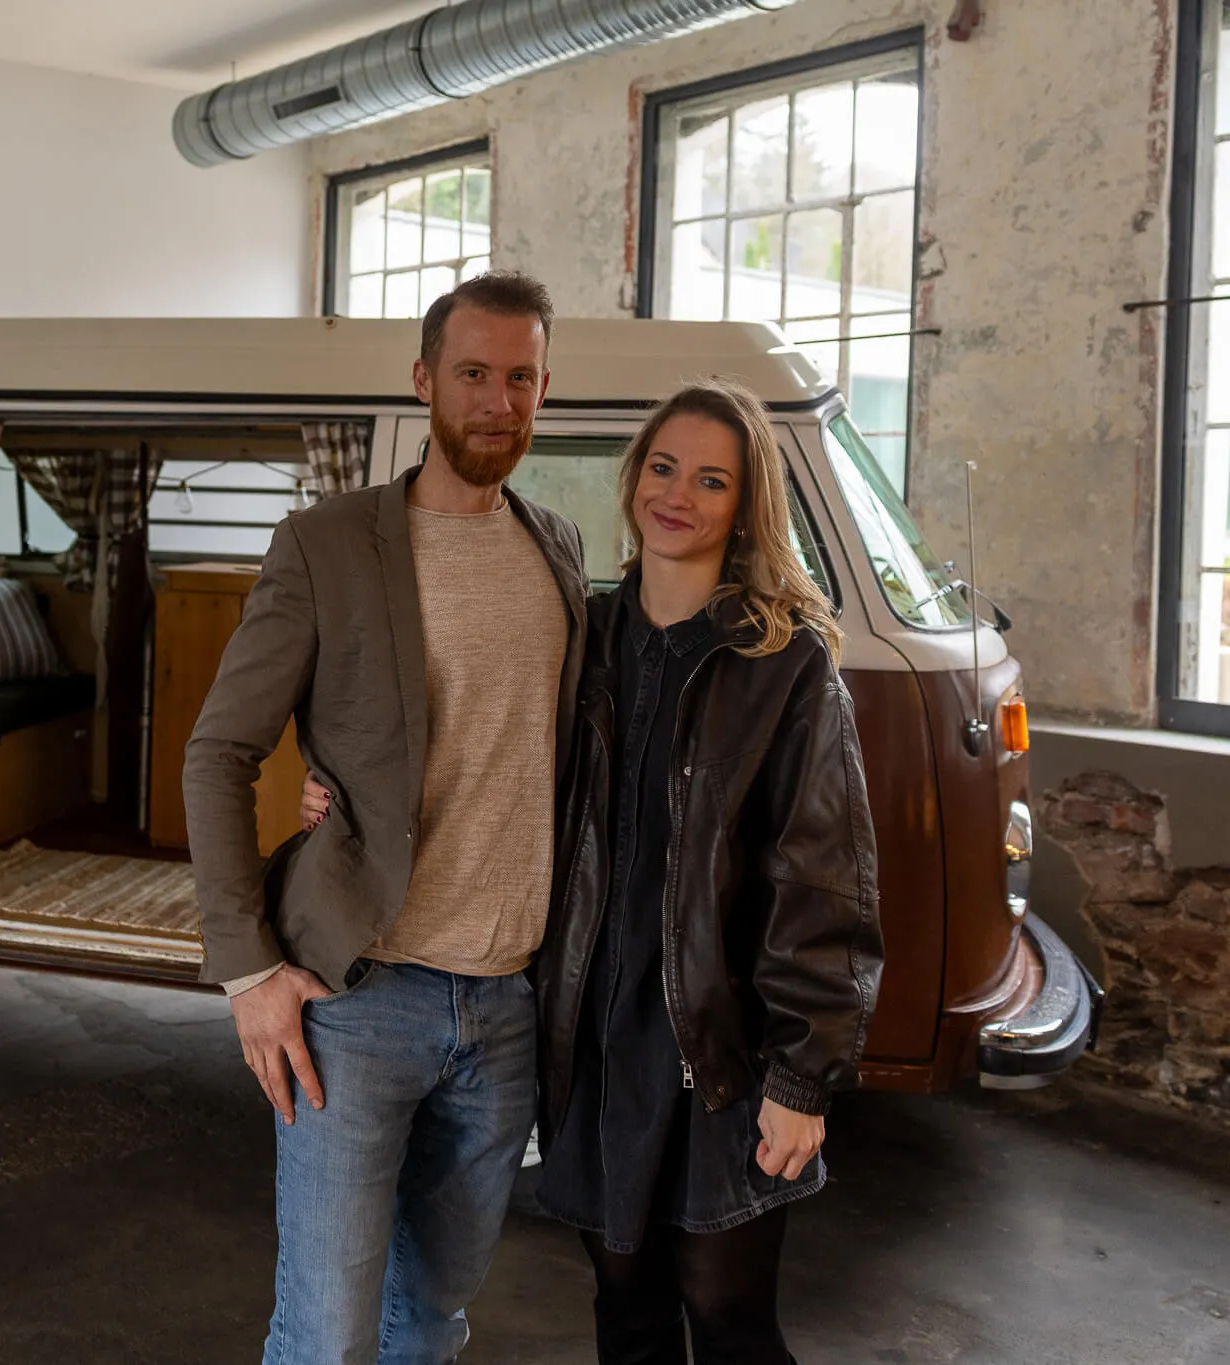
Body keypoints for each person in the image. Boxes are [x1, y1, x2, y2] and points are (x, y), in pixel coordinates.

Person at [302, 378, 884, 1364]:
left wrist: (802, 1076)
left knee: (729, 1314)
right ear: (632, 479)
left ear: (747, 508)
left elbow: (823, 886)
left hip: (719, 1047)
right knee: (625, 1304)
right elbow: (467, 744)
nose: (677, 495)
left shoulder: (786, 666)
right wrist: (340, 788)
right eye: (662, 467)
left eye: (711, 480)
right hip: (594, 1039)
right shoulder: (582, 636)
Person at [183, 271, 589, 1365]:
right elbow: (219, 752)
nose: (497, 401)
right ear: (423, 381)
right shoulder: (325, 543)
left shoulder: (556, 548)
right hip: (359, 998)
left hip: (506, 1004)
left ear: (543, 389)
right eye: (473, 373)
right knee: (327, 1336)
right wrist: (247, 970)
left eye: (520, 378)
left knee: (433, 1320)